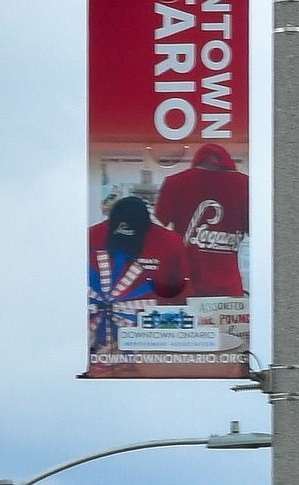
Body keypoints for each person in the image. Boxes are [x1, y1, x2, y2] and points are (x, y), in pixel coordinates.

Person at [88, 193, 190, 351]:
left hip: (150, 340)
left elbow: (182, 299)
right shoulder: (89, 238)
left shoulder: (171, 244)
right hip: (96, 337)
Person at [151, 144, 249, 297]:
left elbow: (157, 233)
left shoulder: (174, 183)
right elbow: (259, 233)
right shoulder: (245, 185)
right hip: (229, 287)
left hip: (186, 285)